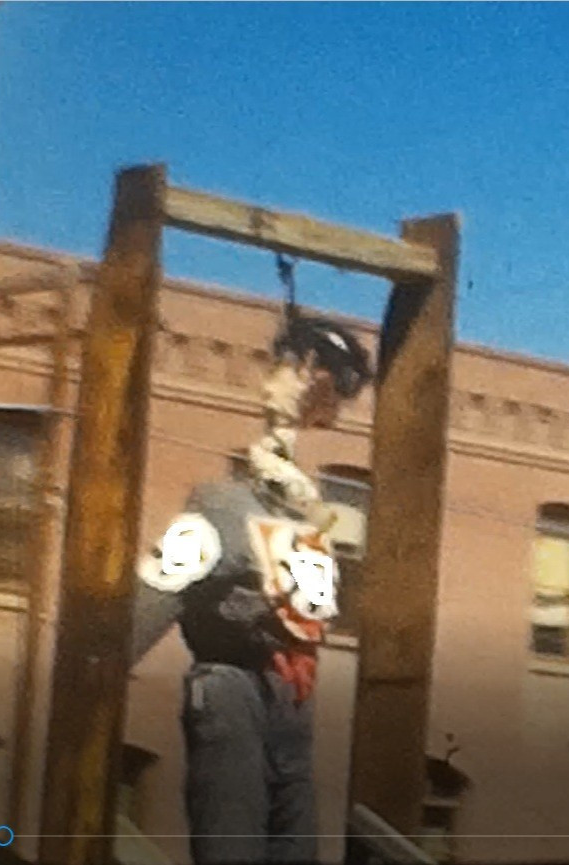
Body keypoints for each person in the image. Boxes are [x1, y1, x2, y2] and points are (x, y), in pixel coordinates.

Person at [129, 311, 372, 865]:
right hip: (231, 689)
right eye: (321, 375)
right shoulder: (218, 509)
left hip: (292, 698)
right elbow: (147, 603)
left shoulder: (308, 514)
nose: (330, 399)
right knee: (232, 835)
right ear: (304, 370)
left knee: (296, 840)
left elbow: (311, 610)